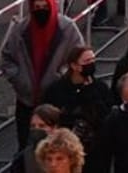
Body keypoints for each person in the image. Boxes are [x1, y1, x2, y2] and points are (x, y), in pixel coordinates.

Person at [0, 0, 87, 148]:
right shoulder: (21, 30)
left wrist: (62, 78)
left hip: (56, 101)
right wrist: (19, 79)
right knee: (26, 146)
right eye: (37, 7)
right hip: (26, 101)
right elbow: (7, 58)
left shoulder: (67, 29)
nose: (41, 11)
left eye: (45, 7)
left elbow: (80, 56)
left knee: (56, 147)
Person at [44, 45, 116, 173]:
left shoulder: (100, 88)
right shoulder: (56, 90)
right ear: (74, 65)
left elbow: (107, 116)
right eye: (87, 61)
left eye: (93, 60)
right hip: (66, 151)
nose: (92, 64)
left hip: (96, 153)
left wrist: (91, 95)